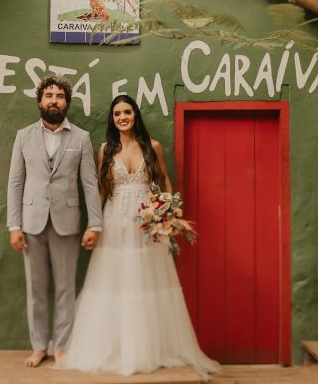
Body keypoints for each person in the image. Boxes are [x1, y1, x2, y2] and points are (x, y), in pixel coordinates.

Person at [57, 94, 219, 379]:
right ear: (112, 118)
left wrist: (168, 212)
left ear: (135, 115)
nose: (122, 117)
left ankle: (148, 349)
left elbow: (164, 179)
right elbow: (102, 190)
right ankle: (115, 348)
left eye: (127, 112)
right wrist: (93, 226)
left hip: (146, 224)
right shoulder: (105, 149)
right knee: (114, 284)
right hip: (114, 222)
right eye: (117, 113)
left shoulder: (151, 146)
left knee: (145, 283)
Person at [6, 75, 103, 368]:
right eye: (48, 95)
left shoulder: (81, 138)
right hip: (31, 223)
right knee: (36, 290)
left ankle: (61, 346)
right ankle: (39, 346)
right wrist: (13, 225)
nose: (53, 100)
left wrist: (95, 224)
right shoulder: (23, 136)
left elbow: (90, 184)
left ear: (66, 103)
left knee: (64, 289)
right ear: (39, 101)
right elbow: (15, 184)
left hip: (67, 222)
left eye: (59, 96)